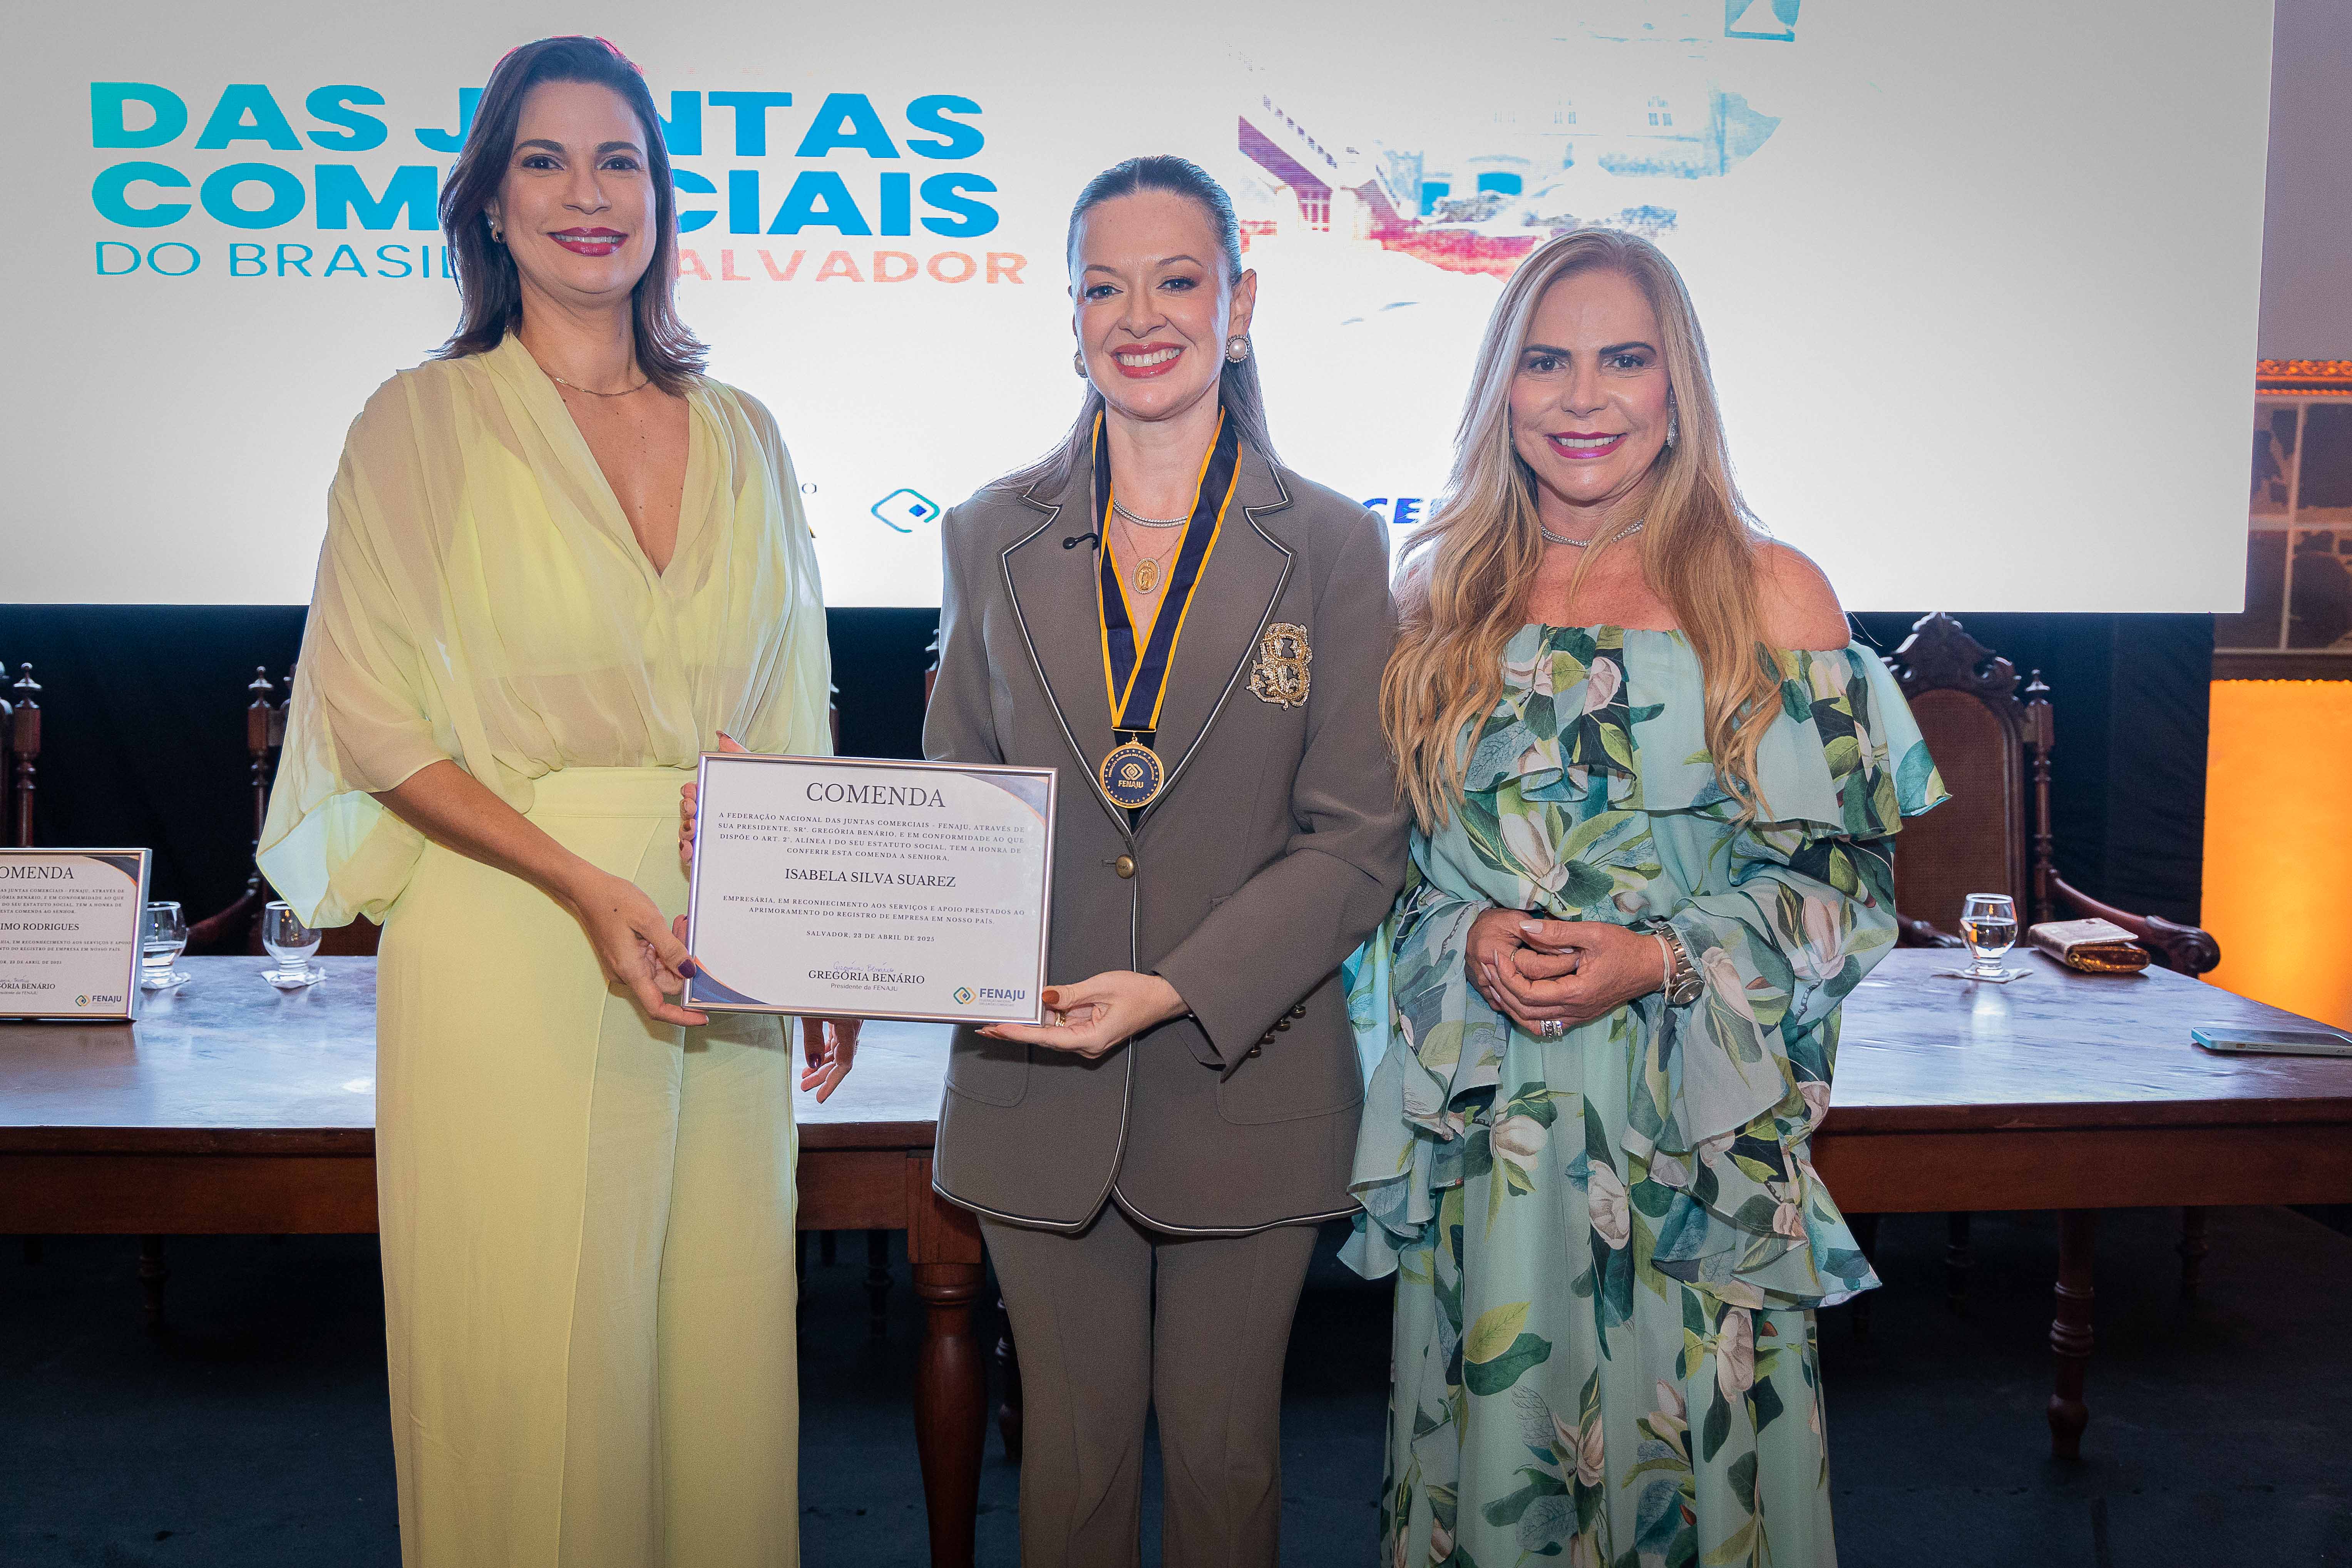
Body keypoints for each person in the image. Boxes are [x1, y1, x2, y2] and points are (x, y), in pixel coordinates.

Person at [257, 36, 853, 1568]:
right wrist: (585, 885)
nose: (587, 194)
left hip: (720, 953)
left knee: (714, 1372)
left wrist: (823, 944)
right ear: (492, 205)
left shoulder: (747, 436)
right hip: (513, 922)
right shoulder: (419, 424)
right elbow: (375, 722)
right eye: (546, 160)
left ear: (662, 198)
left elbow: (787, 718)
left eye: (620, 162)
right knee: (534, 1378)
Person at [1346, 228, 1946, 1567]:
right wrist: (1466, 931)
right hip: (1491, 1149)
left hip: (1691, 1142)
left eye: (1625, 360)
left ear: (1680, 386)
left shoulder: (1772, 595)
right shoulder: (1433, 598)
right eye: (1547, 361)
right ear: (1503, 388)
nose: (1583, 397)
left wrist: (1658, 956)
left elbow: (1839, 895)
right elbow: (1373, 888)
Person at [926, 156, 1411, 1566]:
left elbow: (1359, 839)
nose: (1141, 316)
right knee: (1069, 1472)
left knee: (1223, 1465)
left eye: (1178, 280)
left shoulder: (1328, 544)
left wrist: (1176, 987)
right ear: (1070, 315)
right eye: (1103, 285)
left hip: (1244, 1073)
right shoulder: (985, 535)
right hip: (1031, 1073)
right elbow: (959, 799)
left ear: (1239, 304)